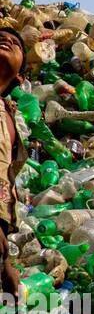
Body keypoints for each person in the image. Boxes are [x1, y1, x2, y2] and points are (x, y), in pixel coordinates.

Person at [0, 28, 28, 299]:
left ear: (20, 77)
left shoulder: (11, 117)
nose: (6, 40)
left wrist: (5, 263)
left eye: (15, 44)